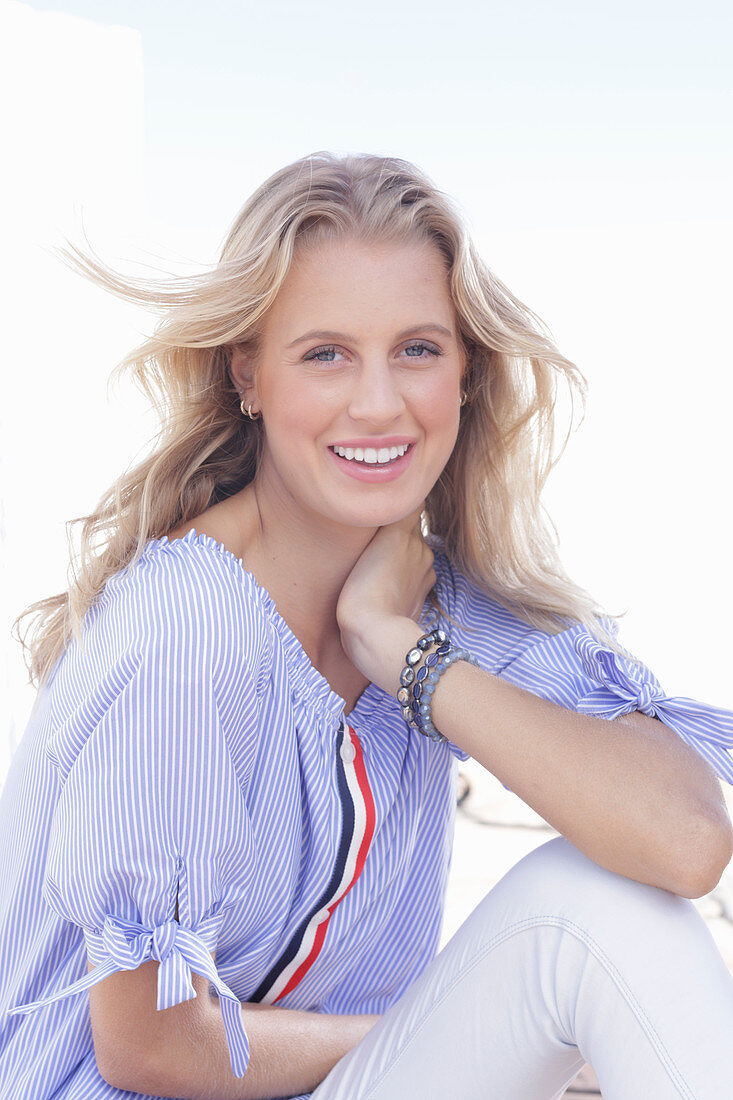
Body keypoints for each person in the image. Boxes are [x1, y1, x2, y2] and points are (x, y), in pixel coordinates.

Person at [1, 151, 732, 1100]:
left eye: (418, 349)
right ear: (248, 376)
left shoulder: (440, 607)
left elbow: (680, 841)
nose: (380, 402)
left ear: (465, 374)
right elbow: (150, 1044)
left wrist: (402, 654)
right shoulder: (187, 630)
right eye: (325, 354)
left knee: (602, 898)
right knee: (573, 928)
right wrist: (469, 1029)